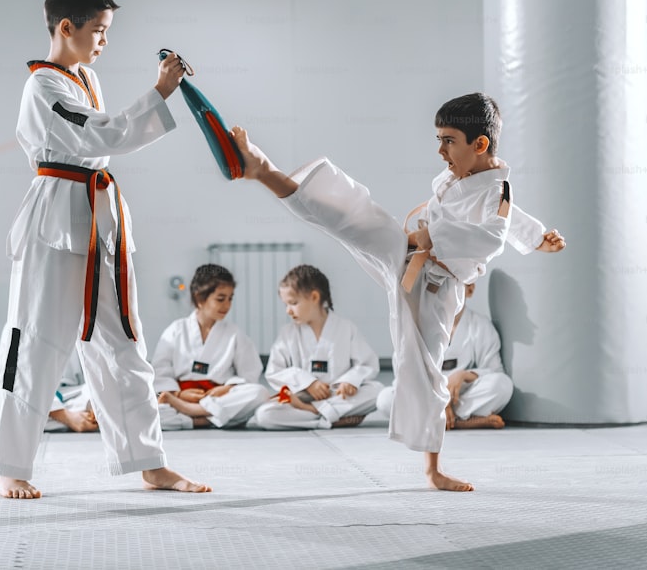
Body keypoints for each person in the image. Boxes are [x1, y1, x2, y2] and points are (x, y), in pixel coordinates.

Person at [230, 92, 566, 491]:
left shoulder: (497, 191)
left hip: (437, 289)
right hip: (410, 258)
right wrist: (536, 236)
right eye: (438, 139)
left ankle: (433, 470)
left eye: (449, 140)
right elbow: (510, 222)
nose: (440, 150)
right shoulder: (466, 176)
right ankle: (264, 170)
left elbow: (494, 235)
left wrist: (441, 234)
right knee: (354, 218)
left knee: (422, 370)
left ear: (480, 145)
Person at [0, 0, 209, 498]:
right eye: (99, 30)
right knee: (35, 341)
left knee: (125, 343)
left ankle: (148, 461)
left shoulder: (85, 77)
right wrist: (159, 91)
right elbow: (100, 135)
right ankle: (10, 466)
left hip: (101, 217)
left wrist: (159, 95)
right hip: (55, 220)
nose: (104, 41)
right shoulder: (43, 85)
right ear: (66, 27)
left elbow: (106, 135)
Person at [252, 264, 383, 430]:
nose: (288, 311)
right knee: (264, 414)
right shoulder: (287, 333)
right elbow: (274, 371)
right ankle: (333, 418)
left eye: (292, 303)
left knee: (377, 392)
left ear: (314, 297)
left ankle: (314, 414)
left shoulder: (345, 328)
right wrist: (308, 383)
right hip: (302, 398)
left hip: (338, 396)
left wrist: (349, 381)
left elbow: (367, 364)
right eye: (285, 305)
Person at [375, 283, 512, 431]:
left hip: (461, 395)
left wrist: (463, 375)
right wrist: (438, 399)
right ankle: (460, 421)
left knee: (503, 385)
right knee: (385, 399)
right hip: (428, 396)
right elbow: (405, 379)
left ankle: (436, 420)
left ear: (470, 289)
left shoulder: (480, 325)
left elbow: (495, 371)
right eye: (441, 288)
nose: (447, 295)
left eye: (454, 288)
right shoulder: (418, 326)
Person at [152, 264, 270, 429]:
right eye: (220, 299)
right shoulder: (176, 330)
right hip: (180, 399)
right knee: (144, 407)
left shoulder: (234, 334)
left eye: (230, 298)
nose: (227, 305)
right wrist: (178, 394)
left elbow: (249, 374)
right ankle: (205, 419)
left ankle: (193, 417)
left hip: (217, 398)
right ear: (200, 298)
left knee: (259, 393)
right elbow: (160, 371)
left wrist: (227, 388)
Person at [0, 352, 98, 433]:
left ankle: (85, 418)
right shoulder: (17, 321)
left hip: (81, 395)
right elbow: (15, 383)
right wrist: (64, 415)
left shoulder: (83, 315)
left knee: (103, 396)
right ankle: (83, 420)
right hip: (33, 401)